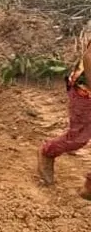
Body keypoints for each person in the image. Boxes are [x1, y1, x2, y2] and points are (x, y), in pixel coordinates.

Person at [37, 36, 91, 199]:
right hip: (85, 93)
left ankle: (89, 188)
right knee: (78, 139)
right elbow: (89, 58)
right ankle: (47, 152)